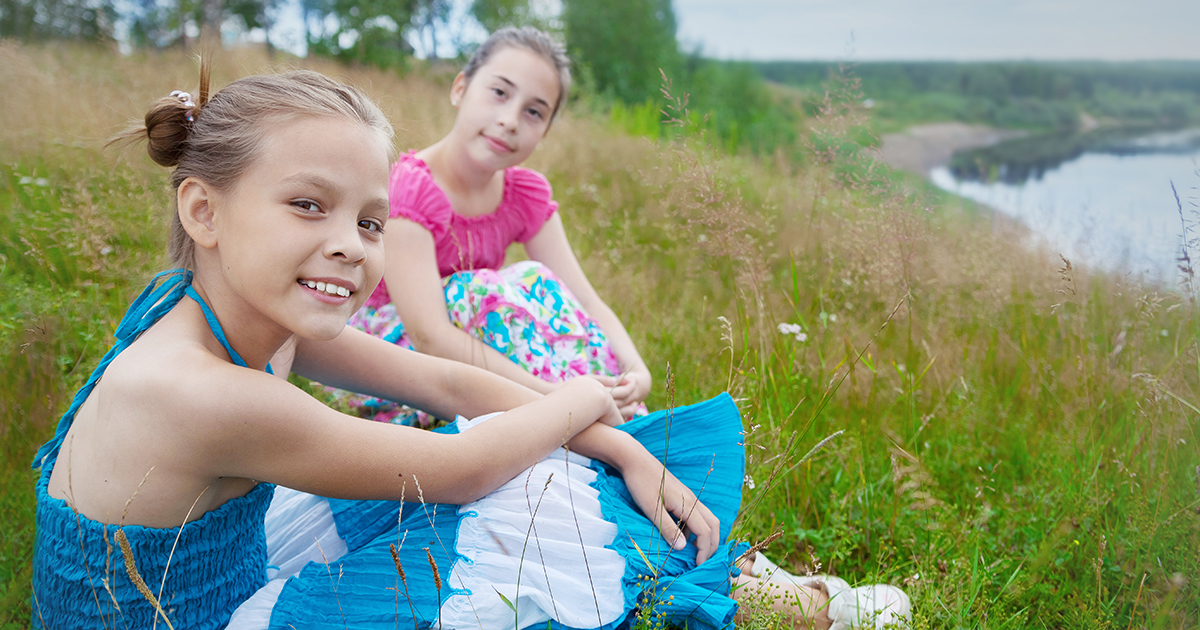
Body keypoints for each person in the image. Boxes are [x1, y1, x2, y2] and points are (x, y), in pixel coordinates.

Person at [29, 64, 909, 630]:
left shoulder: (237, 316)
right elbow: (461, 470)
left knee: (533, 462)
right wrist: (591, 402)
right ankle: (764, 602)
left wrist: (610, 443)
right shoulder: (200, 388)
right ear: (203, 210)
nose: (349, 244)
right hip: (192, 619)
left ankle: (741, 579)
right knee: (511, 496)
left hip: (222, 583)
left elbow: (442, 379)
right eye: (308, 205)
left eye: (370, 220)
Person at [331, 27, 651, 426]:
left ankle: (620, 410)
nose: (510, 120)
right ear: (460, 89)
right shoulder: (411, 187)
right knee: (481, 290)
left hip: (474, 355)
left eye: (534, 112)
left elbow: (582, 297)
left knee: (539, 283)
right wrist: (554, 397)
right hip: (393, 361)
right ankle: (573, 413)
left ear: (545, 130)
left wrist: (637, 369)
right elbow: (430, 334)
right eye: (499, 93)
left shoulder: (523, 194)